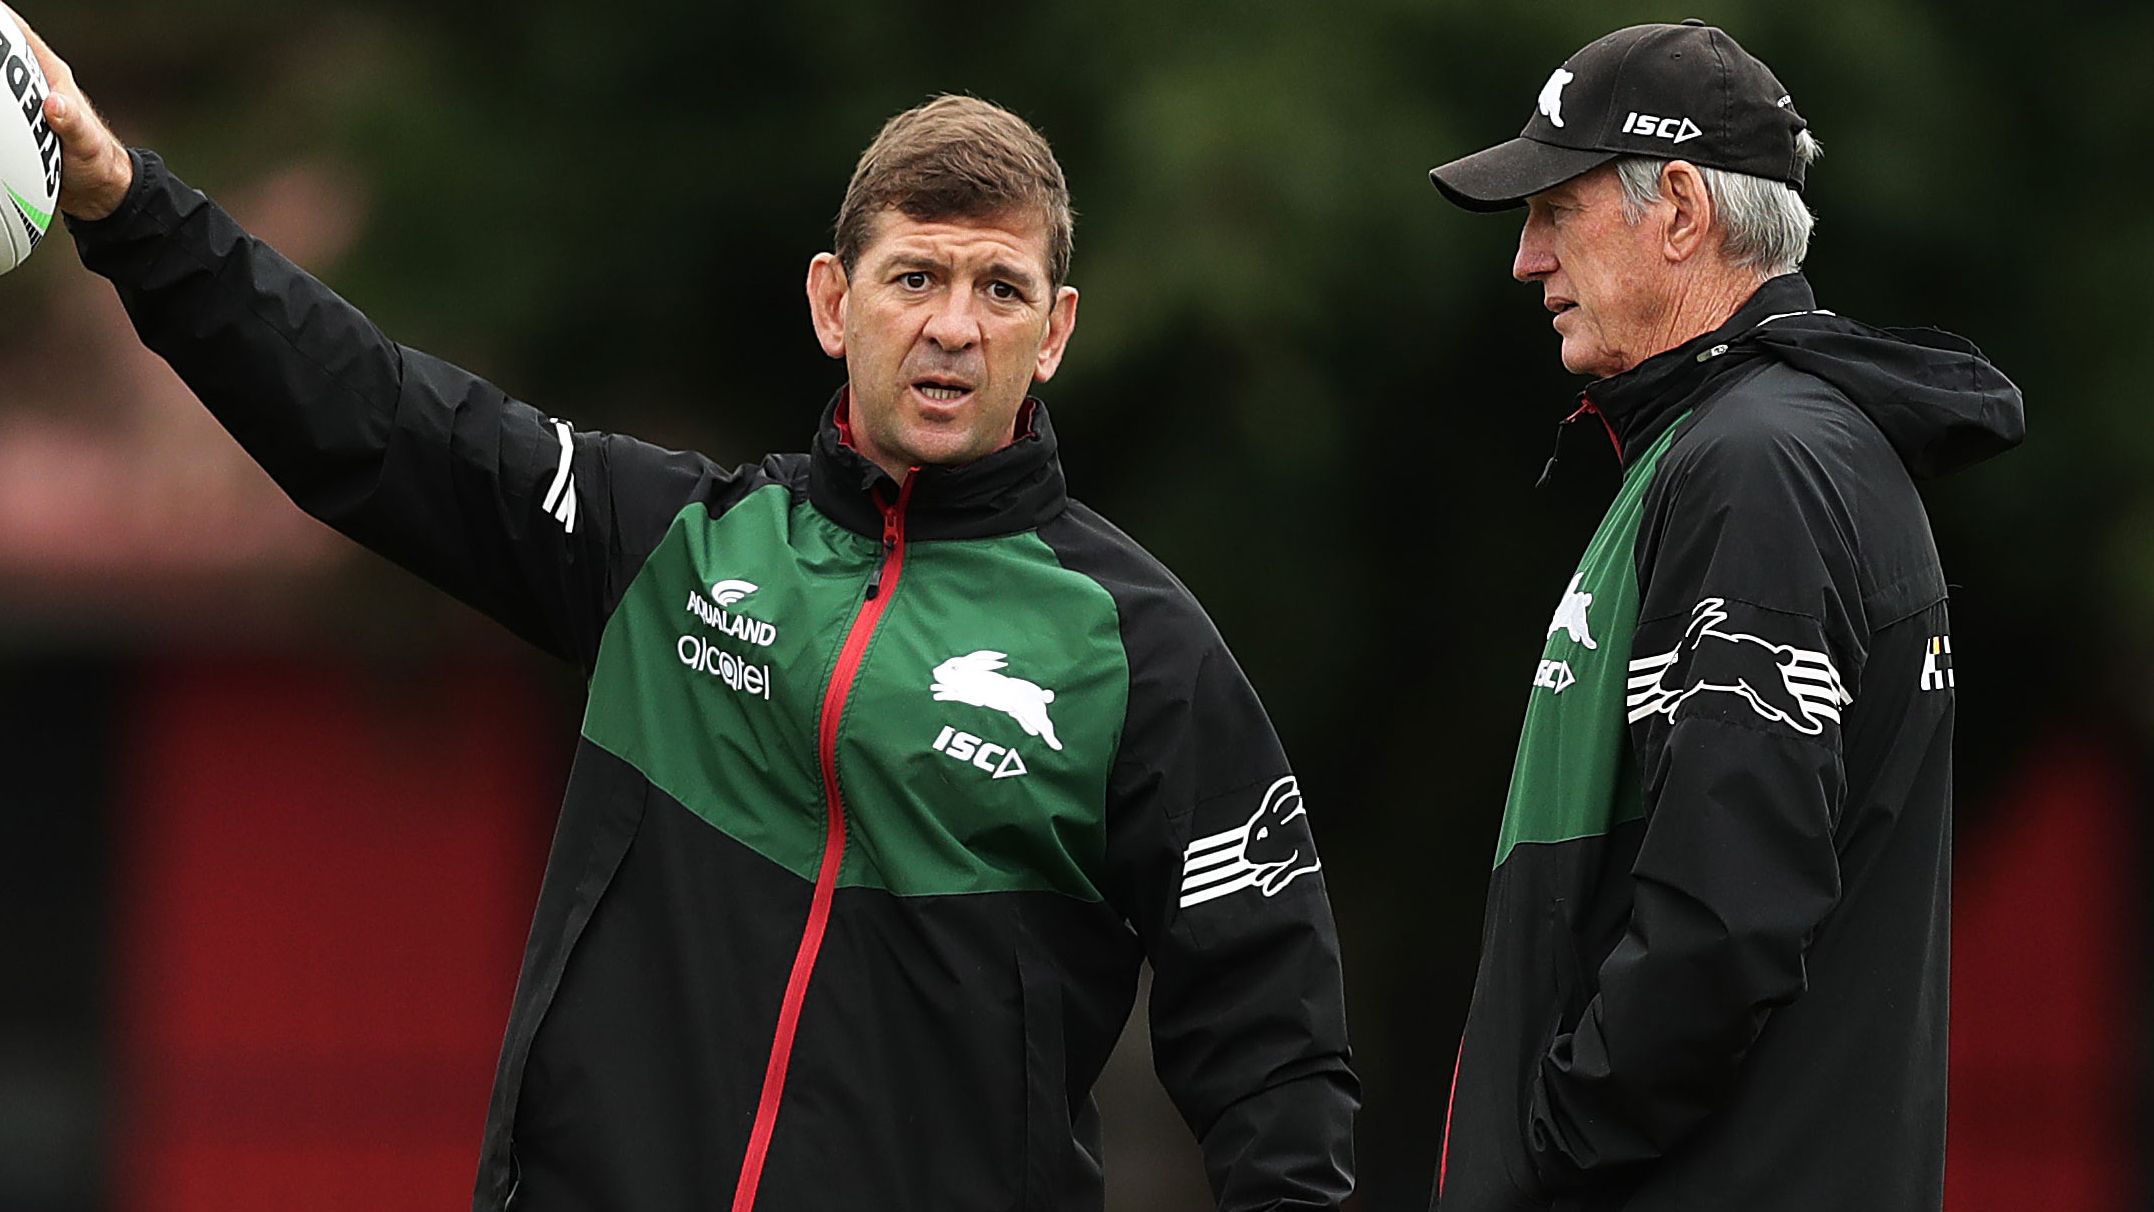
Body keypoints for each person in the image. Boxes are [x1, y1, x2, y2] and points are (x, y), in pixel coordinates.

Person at [18, 12, 1358, 1211]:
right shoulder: (672, 545)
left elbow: (1274, 1054)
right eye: (914, 278)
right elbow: (369, 415)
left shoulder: (1142, 655)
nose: (953, 325)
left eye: (998, 290)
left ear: (1052, 331)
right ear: (835, 303)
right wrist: (125, 201)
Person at [1423, 20, 2022, 1212]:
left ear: (1681, 210)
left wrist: (1551, 1145)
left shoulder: (1758, 466)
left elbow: (1725, 916)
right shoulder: (1749, 448)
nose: (1526, 259)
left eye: (1555, 207)